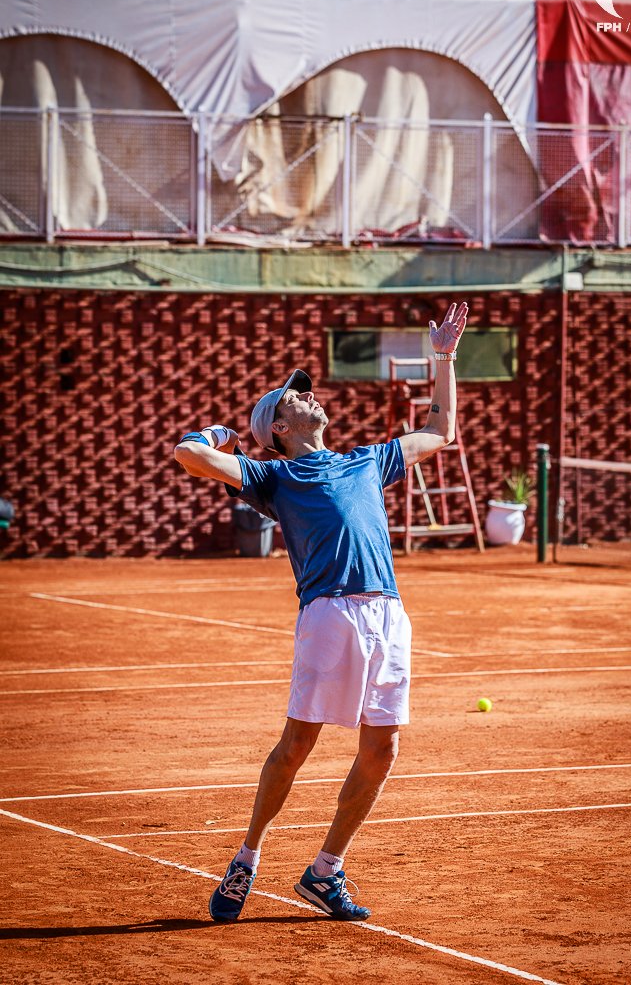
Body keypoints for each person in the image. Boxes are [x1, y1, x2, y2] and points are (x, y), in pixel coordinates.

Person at [174, 301, 468, 923]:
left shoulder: (366, 459)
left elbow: (442, 428)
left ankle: (324, 870)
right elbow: (187, 455)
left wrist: (443, 356)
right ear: (277, 427)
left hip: (387, 613)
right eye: (293, 399)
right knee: (297, 744)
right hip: (329, 614)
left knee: (383, 748)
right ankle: (247, 856)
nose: (309, 398)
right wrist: (215, 437)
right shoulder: (271, 477)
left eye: (305, 394)